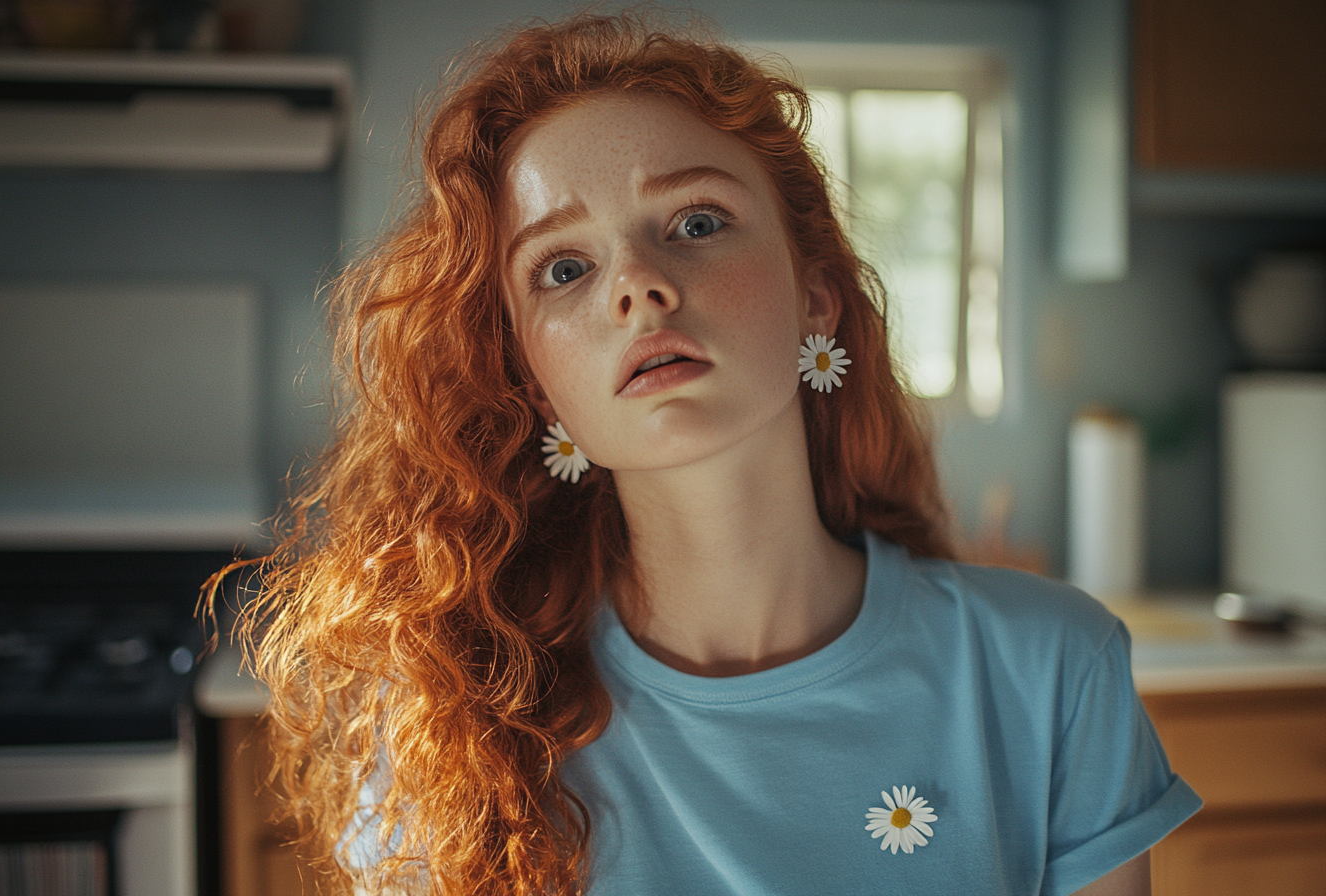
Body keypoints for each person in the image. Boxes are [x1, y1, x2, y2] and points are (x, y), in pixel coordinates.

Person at [223, 11, 1201, 896]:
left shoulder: (1052, 669)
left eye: (695, 222)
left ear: (816, 293)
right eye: (565, 267)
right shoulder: (451, 727)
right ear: (530, 376)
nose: (639, 286)